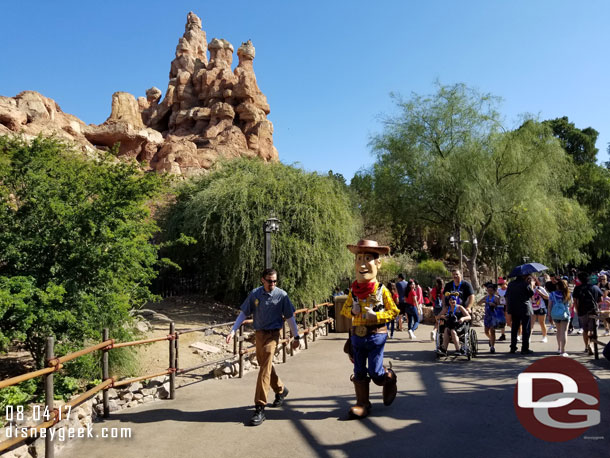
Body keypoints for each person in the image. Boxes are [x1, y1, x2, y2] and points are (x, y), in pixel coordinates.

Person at [226, 268, 301, 426]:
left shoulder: (282, 295)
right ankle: (281, 389)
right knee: (264, 366)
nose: (272, 284)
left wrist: (296, 336)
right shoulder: (255, 294)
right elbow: (243, 313)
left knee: (264, 367)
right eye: (269, 281)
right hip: (259, 334)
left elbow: (289, 317)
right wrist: (233, 331)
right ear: (262, 280)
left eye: (274, 281)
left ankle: (260, 407)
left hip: (273, 335)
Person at [340, 239, 400, 420]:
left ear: (378, 263)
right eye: (359, 259)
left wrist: (377, 317)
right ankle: (362, 403)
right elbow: (344, 311)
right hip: (357, 337)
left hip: (376, 336)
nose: (362, 264)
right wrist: (352, 310)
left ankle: (388, 377)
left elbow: (394, 312)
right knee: (359, 371)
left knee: (375, 372)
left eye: (367, 259)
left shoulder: (382, 291)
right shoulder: (353, 291)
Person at [572, 271, 602, 355]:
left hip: (582, 311)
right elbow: (601, 300)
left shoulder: (577, 288)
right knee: (593, 330)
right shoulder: (595, 287)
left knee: (585, 330)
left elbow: (575, 301)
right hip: (593, 311)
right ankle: (592, 345)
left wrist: (577, 311)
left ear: (579, 279)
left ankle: (586, 346)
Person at [506, 274, 535, 355]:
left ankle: (513, 347)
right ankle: (525, 348)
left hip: (514, 308)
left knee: (514, 328)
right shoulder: (525, 284)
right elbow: (531, 294)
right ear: (523, 276)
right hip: (525, 308)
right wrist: (531, 285)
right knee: (526, 329)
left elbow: (507, 295)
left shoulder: (511, 284)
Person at [549, 278, 572, 356]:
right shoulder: (568, 294)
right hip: (565, 314)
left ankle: (559, 348)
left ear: (558, 286)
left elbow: (549, 306)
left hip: (555, 314)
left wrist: (549, 315)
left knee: (558, 331)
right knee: (564, 331)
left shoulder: (552, 294)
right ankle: (563, 350)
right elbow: (571, 305)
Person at [478, 283, 501, 353]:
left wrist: (494, 304)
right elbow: (478, 303)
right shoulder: (486, 297)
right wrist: (483, 301)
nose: (489, 292)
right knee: (486, 331)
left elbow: (500, 306)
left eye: (491, 290)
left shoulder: (496, 297)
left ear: (494, 291)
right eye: (488, 290)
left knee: (492, 331)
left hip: (494, 316)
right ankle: (490, 339)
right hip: (487, 316)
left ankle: (492, 346)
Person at [531, 276, 549, 343]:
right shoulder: (528, 289)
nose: (531, 282)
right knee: (531, 324)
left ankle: (544, 337)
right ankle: (529, 337)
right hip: (532, 308)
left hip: (541, 307)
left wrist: (540, 293)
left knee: (541, 323)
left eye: (532, 280)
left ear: (535, 281)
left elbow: (547, 297)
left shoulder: (540, 288)